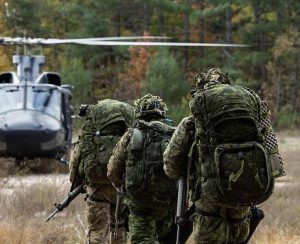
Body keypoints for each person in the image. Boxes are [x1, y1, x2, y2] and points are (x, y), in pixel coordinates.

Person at [163, 67, 285, 244]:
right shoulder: (251, 106)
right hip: (242, 196)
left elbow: (171, 165)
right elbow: (272, 154)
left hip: (209, 200)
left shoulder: (193, 120)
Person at [108, 94, 177, 244]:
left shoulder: (132, 135)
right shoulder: (174, 135)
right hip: (167, 203)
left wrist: (124, 189)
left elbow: (113, 170)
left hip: (139, 201)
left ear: (138, 113)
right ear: (162, 113)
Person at [69, 100, 134, 244]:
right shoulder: (126, 137)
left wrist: (75, 182)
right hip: (121, 188)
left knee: (97, 232)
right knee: (119, 228)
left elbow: (76, 159)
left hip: (97, 188)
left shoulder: (91, 136)